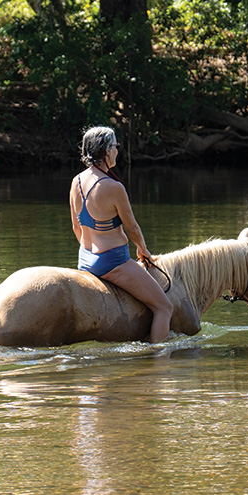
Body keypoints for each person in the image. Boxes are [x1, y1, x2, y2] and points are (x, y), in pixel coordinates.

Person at [69, 126, 172, 343]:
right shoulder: (113, 187)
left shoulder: (76, 182)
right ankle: (160, 365)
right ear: (106, 151)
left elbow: (76, 228)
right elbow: (132, 227)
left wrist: (92, 253)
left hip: (85, 259)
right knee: (164, 307)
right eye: (116, 146)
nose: (118, 150)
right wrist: (143, 250)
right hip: (112, 262)